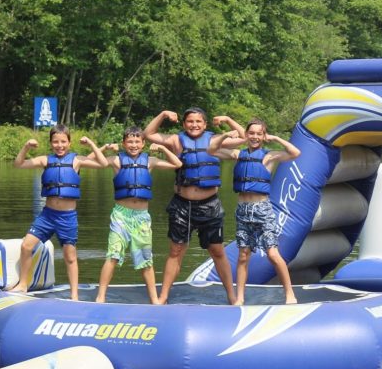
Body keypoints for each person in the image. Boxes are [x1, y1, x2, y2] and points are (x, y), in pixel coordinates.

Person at [144, 108, 244, 305]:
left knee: (217, 251)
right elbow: (148, 135)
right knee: (176, 251)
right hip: (182, 205)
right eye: (190, 121)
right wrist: (163, 114)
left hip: (210, 206)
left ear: (205, 124)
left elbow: (244, 137)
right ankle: (163, 297)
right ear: (184, 124)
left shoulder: (215, 140)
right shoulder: (176, 141)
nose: (194, 125)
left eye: (198, 121)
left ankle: (232, 296)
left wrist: (228, 119)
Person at [209, 117, 300, 305]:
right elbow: (212, 149)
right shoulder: (237, 154)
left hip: (262, 210)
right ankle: (240, 297)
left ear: (263, 135)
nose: (255, 136)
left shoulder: (269, 156)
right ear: (246, 134)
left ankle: (290, 294)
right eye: (251, 133)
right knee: (243, 255)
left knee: (273, 254)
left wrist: (275, 138)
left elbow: (295, 152)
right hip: (243, 210)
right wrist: (226, 133)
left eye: (259, 133)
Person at [13, 124, 108, 300]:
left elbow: (103, 163)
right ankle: (23, 285)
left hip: (67, 217)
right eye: (56, 142)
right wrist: (26, 147)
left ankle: (74, 295)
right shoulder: (45, 160)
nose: (60, 145)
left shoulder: (77, 160)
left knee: (70, 256)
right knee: (26, 246)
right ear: (51, 143)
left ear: (69, 143)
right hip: (47, 215)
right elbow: (18, 164)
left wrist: (91, 144)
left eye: (63, 141)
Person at [95, 126, 182, 304]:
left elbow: (177, 164)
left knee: (145, 259)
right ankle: (100, 296)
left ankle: (154, 299)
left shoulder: (150, 161)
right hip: (121, 215)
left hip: (142, 216)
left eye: (137, 141)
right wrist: (103, 148)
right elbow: (95, 162)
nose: (133, 145)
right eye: (130, 141)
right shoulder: (116, 161)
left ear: (143, 144)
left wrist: (164, 148)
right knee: (113, 255)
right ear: (123, 143)